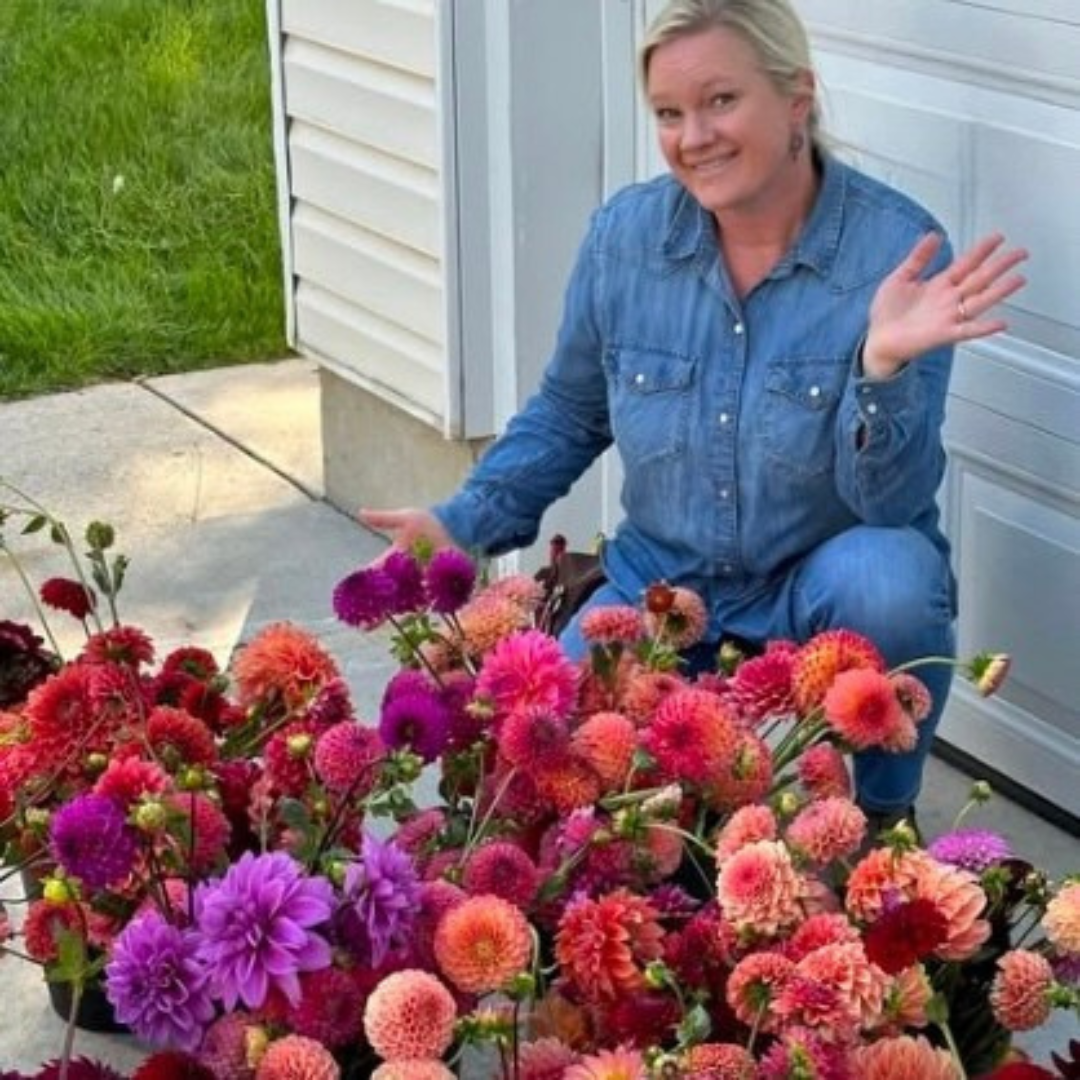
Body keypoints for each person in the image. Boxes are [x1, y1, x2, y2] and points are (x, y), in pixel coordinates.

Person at [359, 0, 1027, 831]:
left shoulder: (896, 252)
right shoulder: (626, 240)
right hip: (660, 588)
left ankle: (886, 822)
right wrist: (460, 525)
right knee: (552, 800)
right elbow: (569, 414)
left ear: (797, 100)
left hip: (809, 588)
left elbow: (890, 506)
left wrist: (879, 367)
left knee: (893, 581)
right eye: (669, 114)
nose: (693, 137)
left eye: (720, 101)